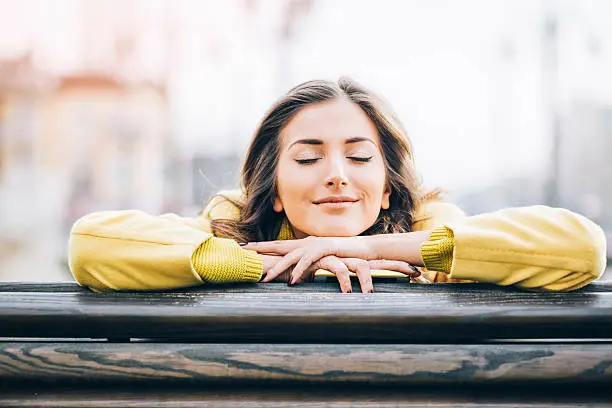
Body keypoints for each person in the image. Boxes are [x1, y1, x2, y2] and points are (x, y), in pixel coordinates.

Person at [69, 78, 607, 293]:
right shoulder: (230, 229)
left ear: (390, 186)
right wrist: (268, 262)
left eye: (358, 155)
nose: (336, 173)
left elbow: (582, 248)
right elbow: (91, 244)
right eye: (307, 157)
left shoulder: (436, 233)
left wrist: (368, 246)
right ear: (274, 189)